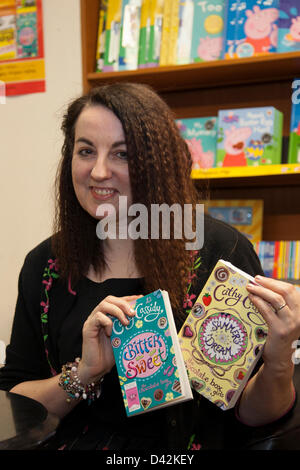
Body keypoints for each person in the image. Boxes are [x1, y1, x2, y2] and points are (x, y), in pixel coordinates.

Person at [0, 82, 299, 451]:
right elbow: (16, 401)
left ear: (157, 163)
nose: (98, 171)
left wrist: (280, 357)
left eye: (122, 154)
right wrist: (85, 373)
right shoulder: (45, 265)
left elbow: (257, 415)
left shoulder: (222, 252)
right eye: (86, 151)